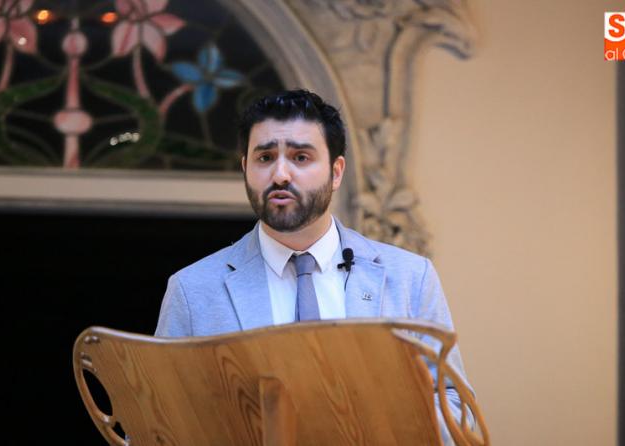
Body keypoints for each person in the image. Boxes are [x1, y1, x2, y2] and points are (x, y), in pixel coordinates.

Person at [155, 89, 474, 443]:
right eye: (265, 157)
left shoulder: (411, 277)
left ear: (336, 172)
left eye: (301, 157)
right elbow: (161, 421)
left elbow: (457, 409)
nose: (280, 174)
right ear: (245, 168)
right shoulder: (192, 290)